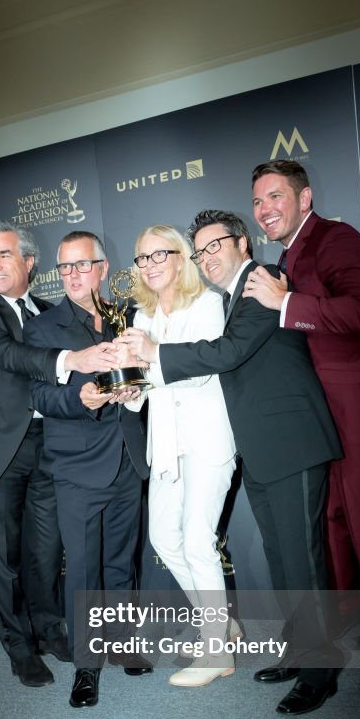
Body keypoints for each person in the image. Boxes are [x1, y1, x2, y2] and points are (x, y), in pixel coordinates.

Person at [121, 210, 343, 716]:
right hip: (259, 443)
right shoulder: (225, 294)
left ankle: (318, 668)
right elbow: (170, 378)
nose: (207, 256)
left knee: (301, 561)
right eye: (201, 250)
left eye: (212, 246)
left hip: (288, 438)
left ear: (242, 243)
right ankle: (294, 649)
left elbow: (225, 353)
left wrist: (155, 353)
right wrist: (121, 387)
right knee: (284, 559)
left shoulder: (259, 284)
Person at [246, 161, 360, 693]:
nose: (265, 209)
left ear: (305, 198)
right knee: (335, 531)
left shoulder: (337, 239)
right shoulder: (285, 256)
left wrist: (287, 304)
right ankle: (338, 634)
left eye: (275, 196)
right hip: (324, 422)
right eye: (257, 202)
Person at [0, 220, 115, 688]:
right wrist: (70, 360)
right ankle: (19, 648)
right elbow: (9, 355)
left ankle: (48, 631)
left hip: (50, 447)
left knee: (45, 551)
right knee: (4, 557)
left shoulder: (48, 312)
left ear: (28, 262)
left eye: (4, 255)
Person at [23, 231, 149, 709]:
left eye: (82, 265)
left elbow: (146, 375)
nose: (73, 276)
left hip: (127, 458)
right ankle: (86, 666)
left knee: (121, 563)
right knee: (83, 570)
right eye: (65, 268)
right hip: (76, 466)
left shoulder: (128, 316)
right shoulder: (43, 328)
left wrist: (136, 391)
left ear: (102, 266)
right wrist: (79, 397)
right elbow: (37, 395)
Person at [126, 224, 238, 687]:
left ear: (180, 259)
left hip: (208, 440)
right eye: (142, 258)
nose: (151, 265)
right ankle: (222, 626)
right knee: (163, 540)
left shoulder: (208, 304)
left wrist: (152, 355)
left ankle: (217, 651)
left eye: (160, 255)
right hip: (166, 444)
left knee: (196, 541)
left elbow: (198, 371)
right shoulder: (138, 316)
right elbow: (140, 390)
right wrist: (121, 392)